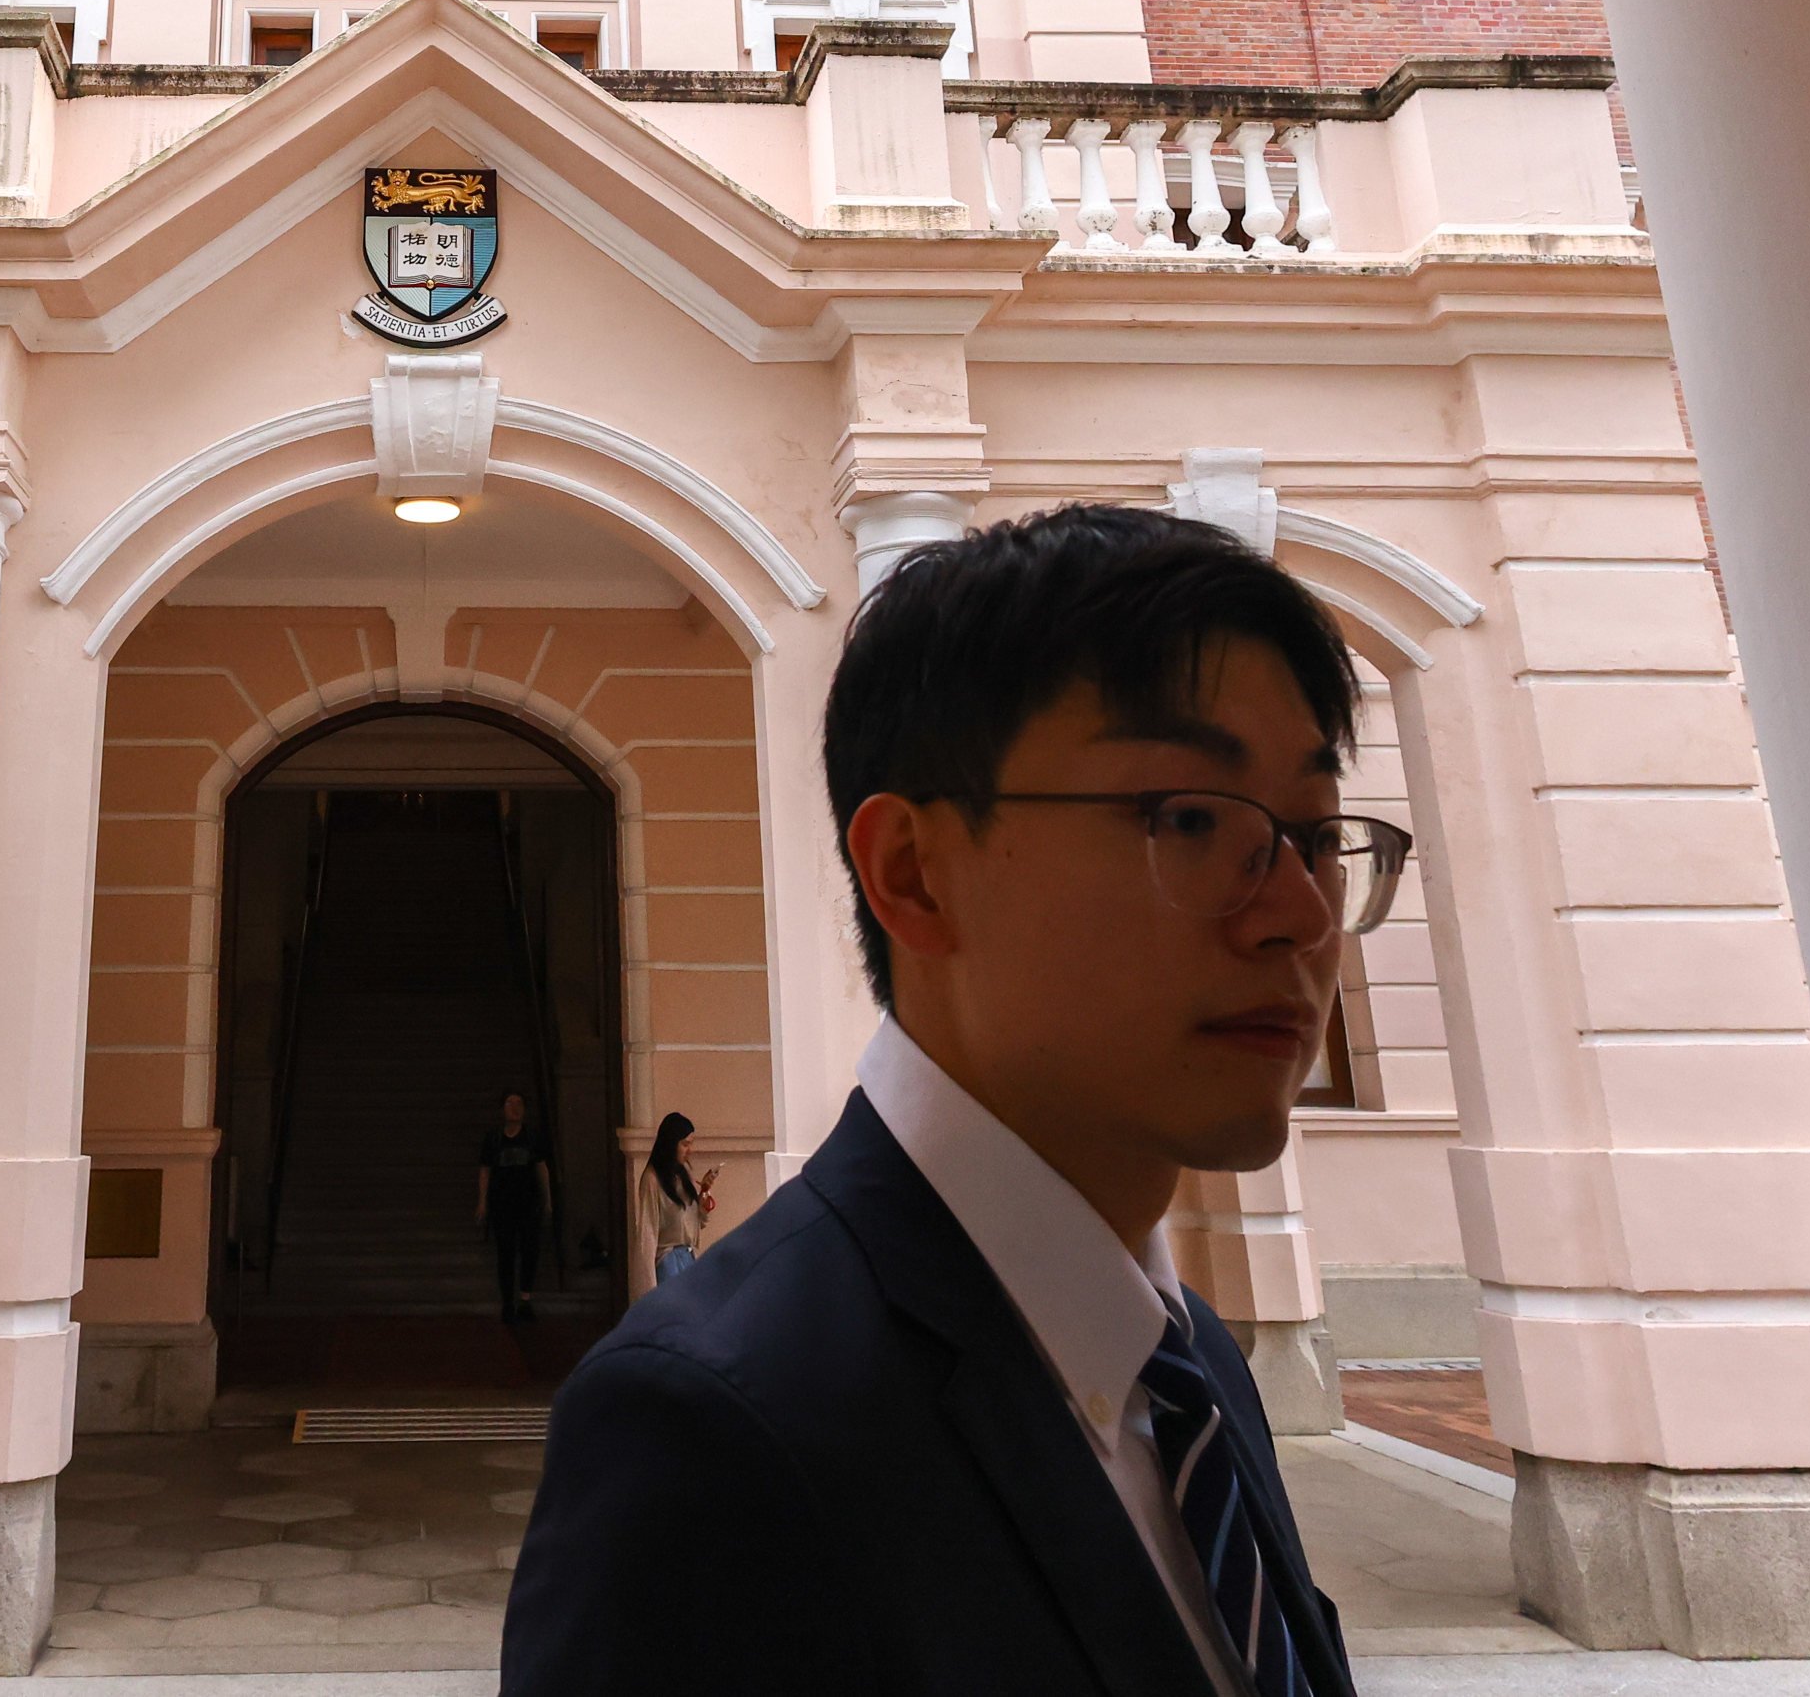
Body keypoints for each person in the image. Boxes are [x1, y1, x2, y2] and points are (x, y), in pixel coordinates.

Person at [505, 505, 1409, 1697]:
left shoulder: (1190, 1371)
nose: (1300, 914)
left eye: (1314, 833)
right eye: (1192, 819)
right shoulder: (713, 1428)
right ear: (914, 875)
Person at [474, 1089, 550, 1322]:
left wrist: (547, 1200)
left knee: (529, 1251)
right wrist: (482, 1202)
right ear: (502, 1109)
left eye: (519, 1103)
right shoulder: (494, 1138)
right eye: (510, 1103)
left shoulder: (532, 1137)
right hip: (502, 1205)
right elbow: (485, 1170)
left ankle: (525, 1299)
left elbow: (541, 1168)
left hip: (528, 1204)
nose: (515, 1108)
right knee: (505, 1254)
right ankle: (508, 1302)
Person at [638, 1111, 714, 1291]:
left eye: (690, 1144)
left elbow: (695, 1221)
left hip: (689, 1257)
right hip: (668, 1261)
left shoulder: (683, 1174)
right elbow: (647, 1233)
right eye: (684, 1144)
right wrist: (649, 1287)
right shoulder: (652, 1179)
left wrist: (704, 1193)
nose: (689, 1150)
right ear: (671, 1144)